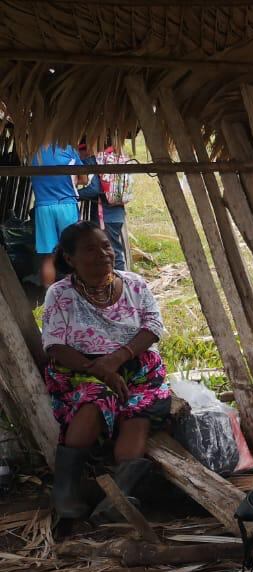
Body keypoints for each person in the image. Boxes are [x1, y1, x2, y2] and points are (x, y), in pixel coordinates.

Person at [42, 222, 172, 522]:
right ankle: (66, 490)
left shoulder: (135, 284)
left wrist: (117, 360)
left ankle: (119, 497)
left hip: (136, 367)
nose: (103, 254)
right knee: (95, 400)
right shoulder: (60, 294)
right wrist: (99, 370)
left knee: (137, 412)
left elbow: (153, 326)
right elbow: (54, 344)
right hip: (80, 369)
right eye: (90, 249)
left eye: (105, 246)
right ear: (70, 258)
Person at [31, 144, 83, 287]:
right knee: (71, 251)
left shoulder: (33, 152)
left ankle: (48, 295)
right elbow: (83, 178)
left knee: (49, 256)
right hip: (66, 205)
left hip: (43, 207)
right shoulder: (69, 150)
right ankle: (71, 292)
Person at [77, 140, 130, 271]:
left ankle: (119, 279)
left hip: (105, 216)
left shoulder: (94, 161)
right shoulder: (114, 158)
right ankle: (118, 278)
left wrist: (73, 195)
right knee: (114, 250)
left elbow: (93, 190)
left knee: (111, 252)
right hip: (117, 214)